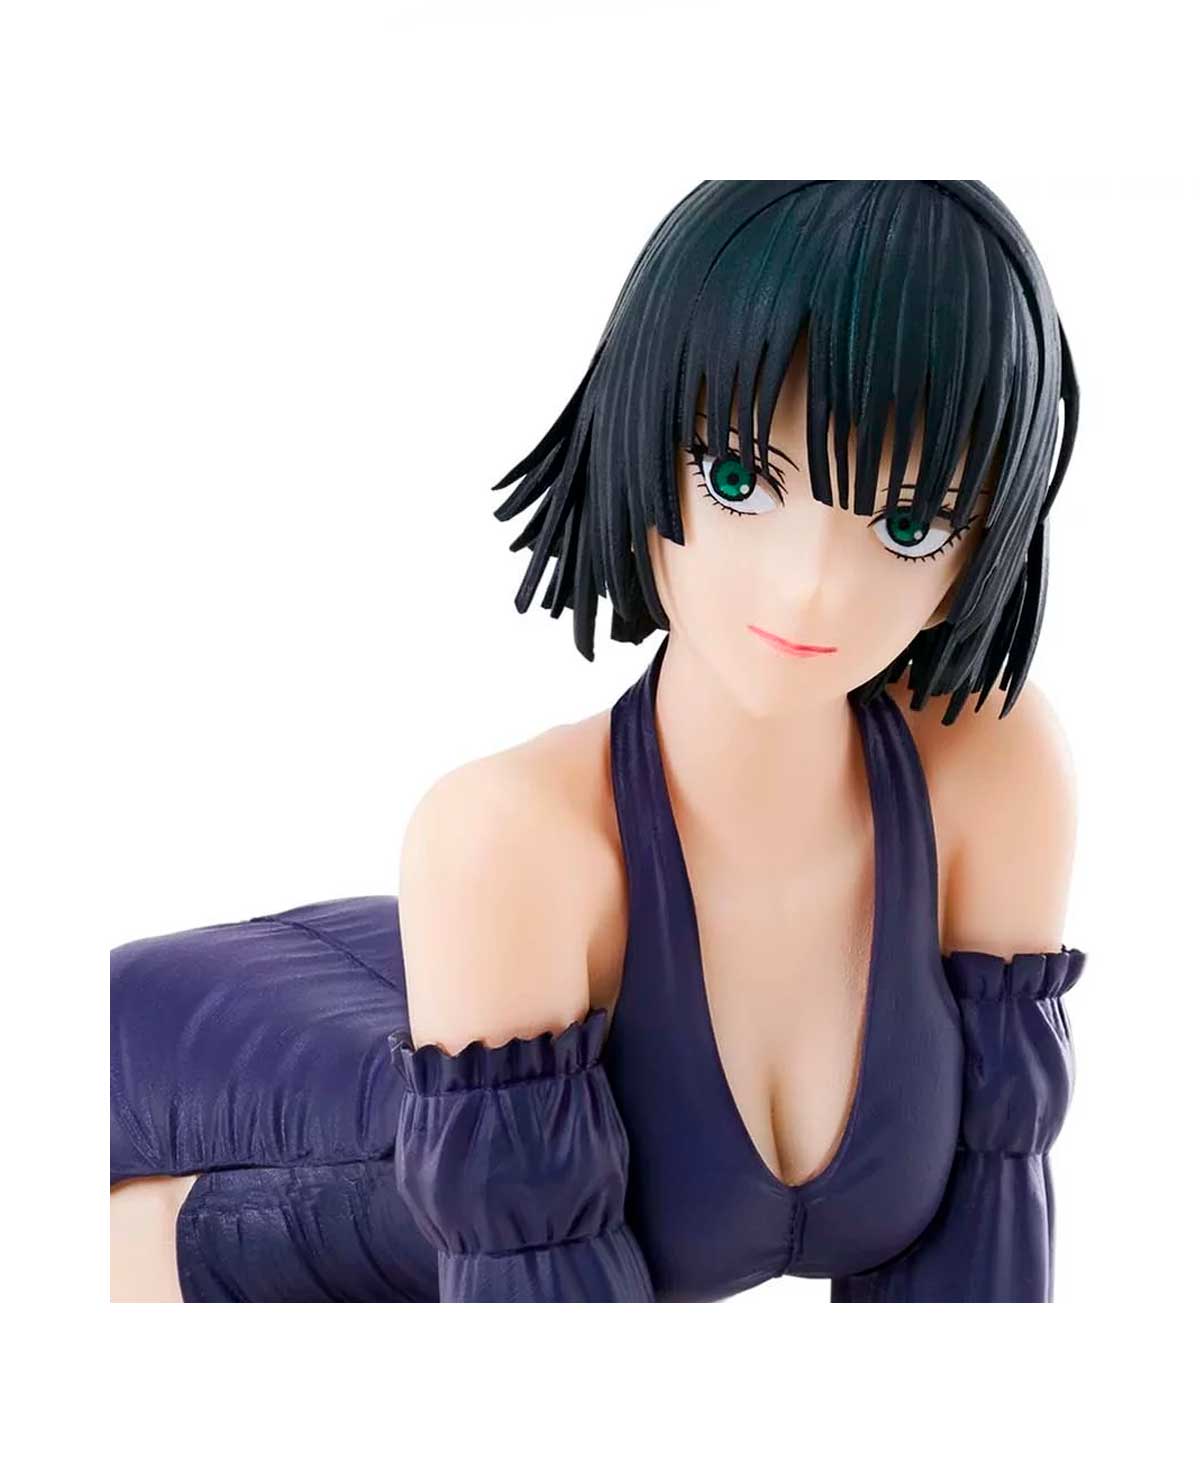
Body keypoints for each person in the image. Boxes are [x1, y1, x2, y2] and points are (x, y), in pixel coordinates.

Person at [110, 180, 1086, 1301]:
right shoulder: (509, 847)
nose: (811, 588)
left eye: (909, 524)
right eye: (740, 479)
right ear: (641, 440)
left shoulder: (989, 772)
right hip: (185, 1149)